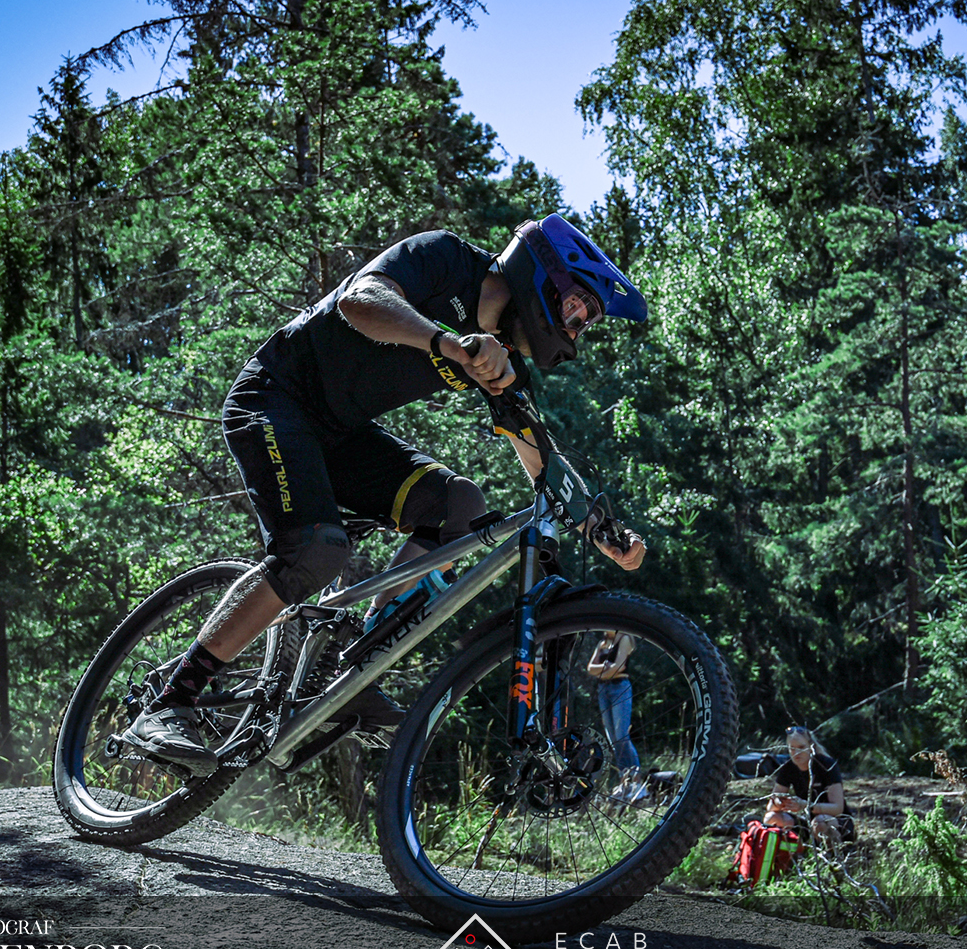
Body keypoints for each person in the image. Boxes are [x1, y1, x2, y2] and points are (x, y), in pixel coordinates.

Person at [120, 216, 649, 775]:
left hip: (342, 434)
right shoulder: (445, 258)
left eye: (586, 323)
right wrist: (448, 342)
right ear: (544, 277)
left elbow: (538, 453)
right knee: (315, 551)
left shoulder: (505, 362)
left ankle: (348, 668)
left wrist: (597, 526)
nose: (576, 332)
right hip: (275, 398)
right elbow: (359, 301)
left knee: (459, 506)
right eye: (578, 312)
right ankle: (170, 701)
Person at [764, 726, 849, 847]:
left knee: (820, 822)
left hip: (835, 822)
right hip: (806, 822)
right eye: (792, 748)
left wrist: (805, 806)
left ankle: (834, 854)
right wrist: (780, 803)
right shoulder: (787, 767)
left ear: (811, 746)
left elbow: (838, 808)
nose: (796, 753)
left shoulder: (827, 765)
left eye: (801, 747)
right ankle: (785, 854)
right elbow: (770, 806)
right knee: (771, 818)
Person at [587, 631, 641, 802]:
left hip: (620, 687)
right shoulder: (603, 643)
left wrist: (601, 671)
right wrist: (607, 669)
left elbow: (620, 667)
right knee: (613, 740)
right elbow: (590, 668)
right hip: (603, 689)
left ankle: (637, 783)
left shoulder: (625, 638)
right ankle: (624, 783)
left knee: (622, 736)